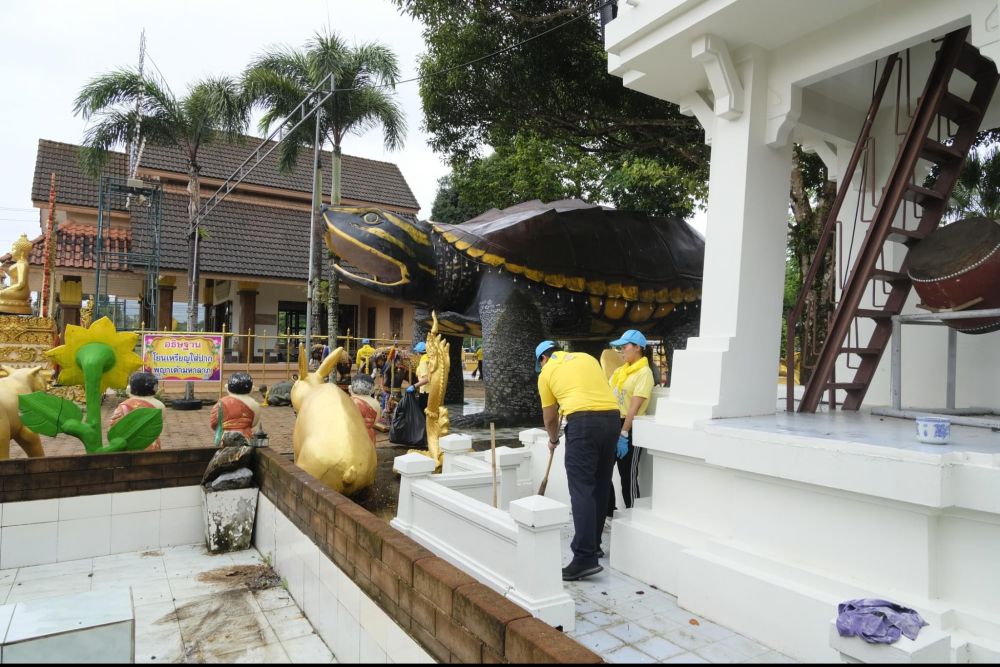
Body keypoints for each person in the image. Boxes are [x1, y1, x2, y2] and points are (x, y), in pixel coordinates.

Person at [536, 340, 620, 581]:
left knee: (582, 488)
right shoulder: (586, 358)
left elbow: (550, 418)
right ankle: (594, 545)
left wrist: (553, 440)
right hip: (612, 419)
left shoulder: (546, 373)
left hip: (583, 424)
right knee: (601, 485)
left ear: (543, 359)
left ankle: (584, 558)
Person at [606, 329, 656, 516]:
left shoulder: (644, 373)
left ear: (637, 348)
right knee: (602, 471)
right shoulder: (620, 371)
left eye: (624, 346)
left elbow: (634, 408)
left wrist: (624, 433)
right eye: (620, 347)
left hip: (630, 427)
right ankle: (609, 511)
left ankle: (633, 515)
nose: (621, 350)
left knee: (627, 475)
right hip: (613, 424)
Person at [109, 371, 165, 451]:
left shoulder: (124, 405)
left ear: (131, 388)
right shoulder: (160, 405)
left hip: (131, 444)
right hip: (151, 443)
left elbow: (115, 427)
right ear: (155, 388)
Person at [209, 372, 261, 440]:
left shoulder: (221, 403)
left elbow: (213, 423)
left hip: (224, 436)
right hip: (246, 436)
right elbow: (254, 423)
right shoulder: (255, 404)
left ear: (226, 387)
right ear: (252, 389)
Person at [406, 341, 430, 412]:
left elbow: (426, 379)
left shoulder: (423, 361)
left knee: (422, 414)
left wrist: (414, 386)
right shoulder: (428, 358)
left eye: (416, 352)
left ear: (418, 352)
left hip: (425, 392)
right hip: (429, 391)